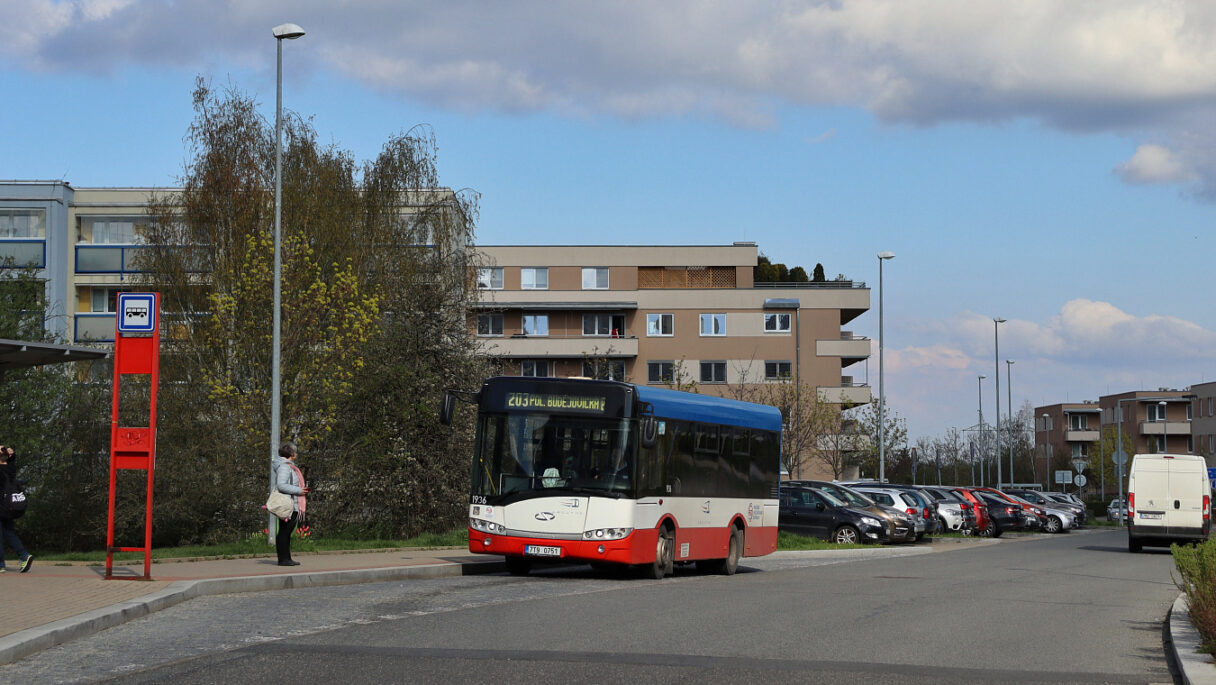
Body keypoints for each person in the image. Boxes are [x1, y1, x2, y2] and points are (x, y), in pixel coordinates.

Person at [271, 441, 309, 567]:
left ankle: (286, 558)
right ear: (292, 453)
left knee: (286, 531)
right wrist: (299, 490)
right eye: (295, 452)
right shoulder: (285, 467)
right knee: (284, 532)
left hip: (291, 503)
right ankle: (283, 559)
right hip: (288, 504)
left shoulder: (287, 466)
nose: (296, 454)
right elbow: (281, 485)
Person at [0, 446, 32, 573]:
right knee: (8, 533)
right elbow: (11, 460)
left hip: (1, 507)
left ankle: (1, 564)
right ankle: (24, 555)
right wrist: (11, 455)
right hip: (9, 507)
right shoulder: (10, 468)